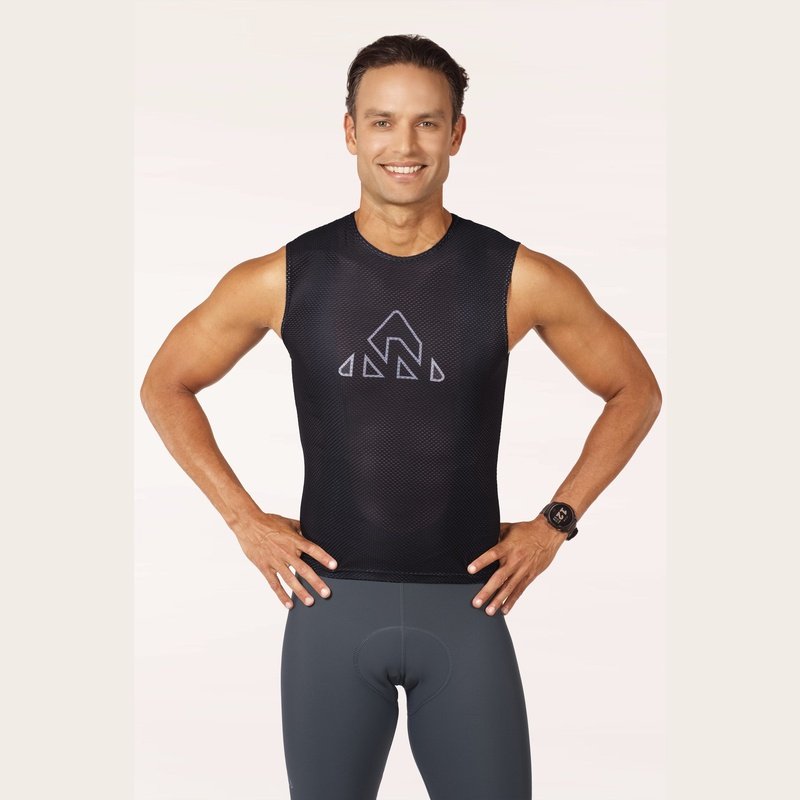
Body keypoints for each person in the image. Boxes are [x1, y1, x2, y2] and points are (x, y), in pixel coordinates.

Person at [140, 33, 662, 800]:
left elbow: (635, 391)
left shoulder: (518, 278)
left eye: (426, 122)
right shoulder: (285, 277)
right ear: (350, 132)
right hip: (330, 608)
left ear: (457, 133)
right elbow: (166, 384)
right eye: (382, 122)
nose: (404, 145)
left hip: (467, 609)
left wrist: (555, 523)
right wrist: (243, 519)